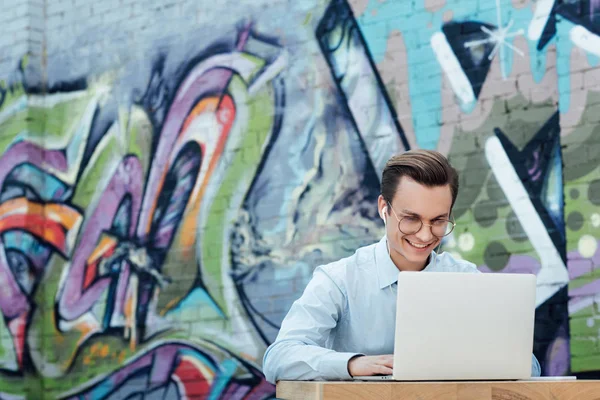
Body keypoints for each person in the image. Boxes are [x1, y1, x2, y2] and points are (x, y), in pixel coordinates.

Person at [262, 150, 541, 383]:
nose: (424, 234)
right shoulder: (339, 280)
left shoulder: (465, 278)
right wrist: (353, 364)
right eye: (410, 219)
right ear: (384, 207)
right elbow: (279, 357)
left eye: (438, 221)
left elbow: (526, 367)